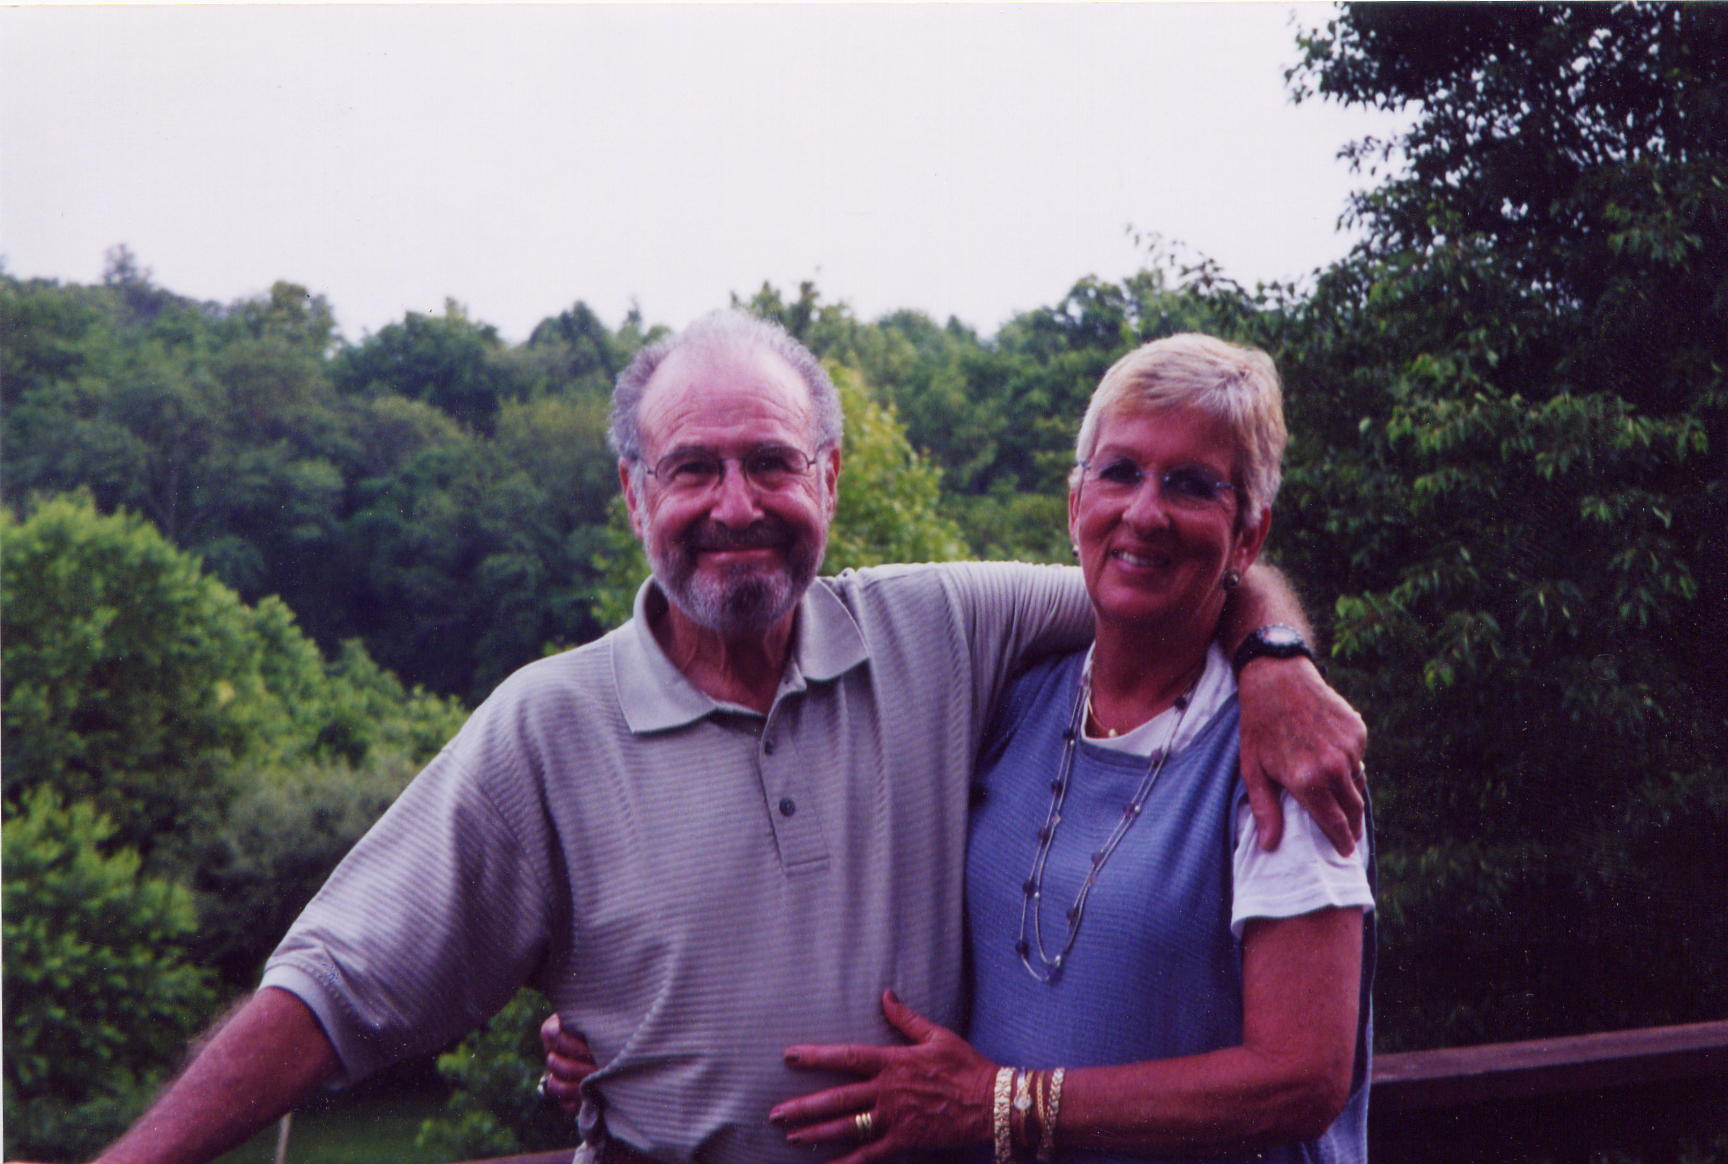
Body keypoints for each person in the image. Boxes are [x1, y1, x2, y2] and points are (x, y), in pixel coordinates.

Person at [86, 313, 1364, 1164]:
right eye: (693, 470)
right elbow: (338, 984)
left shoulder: (941, 632)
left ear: (831, 478)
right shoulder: (552, 723)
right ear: (634, 495)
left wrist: (1276, 656)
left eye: (771, 463)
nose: (736, 507)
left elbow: (1158, 569)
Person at [755, 334, 1373, 1163]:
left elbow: (1302, 1077)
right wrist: (635, 1027)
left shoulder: (1281, 754)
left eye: (1192, 486)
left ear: (1248, 536)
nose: (1145, 513)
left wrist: (1000, 1104)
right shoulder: (1016, 698)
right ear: (1075, 500)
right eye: (1120, 472)